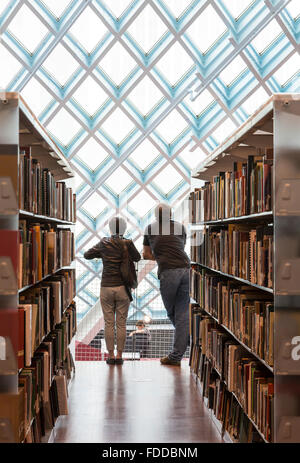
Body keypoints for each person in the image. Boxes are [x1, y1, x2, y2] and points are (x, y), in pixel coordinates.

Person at [84, 217, 141, 365]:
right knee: (121, 323)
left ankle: (110, 356)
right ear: (124, 229)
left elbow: (87, 254)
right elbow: (137, 257)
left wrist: (102, 253)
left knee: (109, 323)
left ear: (110, 229)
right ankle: (119, 356)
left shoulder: (104, 243)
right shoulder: (127, 243)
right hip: (122, 288)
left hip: (106, 287)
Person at [143, 203, 190, 366]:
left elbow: (146, 254)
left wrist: (160, 255)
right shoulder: (180, 227)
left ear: (156, 215)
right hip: (186, 268)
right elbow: (180, 246)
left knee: (173, 313)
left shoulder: (150, 229)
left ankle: (179, 349)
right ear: (171, 214)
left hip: (168, 271)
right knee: (182, 313)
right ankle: (179, 350)